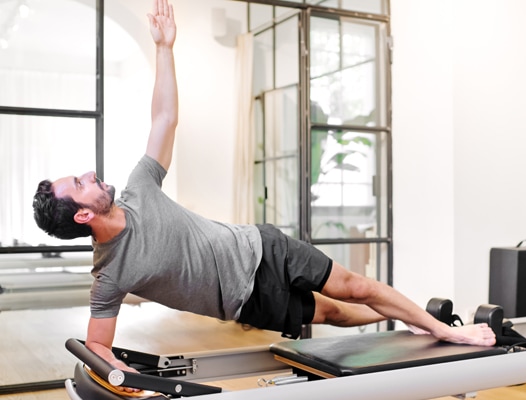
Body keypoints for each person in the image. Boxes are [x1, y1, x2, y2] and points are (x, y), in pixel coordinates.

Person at [33, 0, 495, 391]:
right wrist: (119, 374)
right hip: (246, 302)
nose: (90, 175)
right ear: (81, 217)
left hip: (259, 246)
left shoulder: (139, 189)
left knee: (353, 285)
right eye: (80, 184)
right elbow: (97, 343)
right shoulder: (109, 275)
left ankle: (439, 330)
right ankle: (404, 322)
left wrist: (164, 47)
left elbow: (165, 118)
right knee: (333, 312)